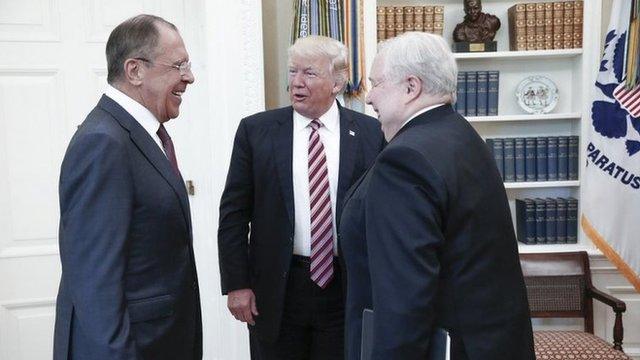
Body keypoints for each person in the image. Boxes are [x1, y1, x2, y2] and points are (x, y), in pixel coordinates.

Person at [340, 32, 535, 360]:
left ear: (411, 87)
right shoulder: (461, 135)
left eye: (376, 84)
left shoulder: (405, 161)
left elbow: (404, 301)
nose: (369, 97)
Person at [218, 35, 384, 359]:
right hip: (279, 288)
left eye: (309, 73)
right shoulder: (256, 131)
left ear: (337, 82)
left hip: (345, 286)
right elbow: (234, 214)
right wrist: (236, 283)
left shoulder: (371, 134)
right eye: (292, 72)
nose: (296, 82)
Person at [53, 14, 201, 360]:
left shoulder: (137, 136)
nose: (189, 77)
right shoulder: (104, 143)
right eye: (178, 66)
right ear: (134, 70)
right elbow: (95, 284)